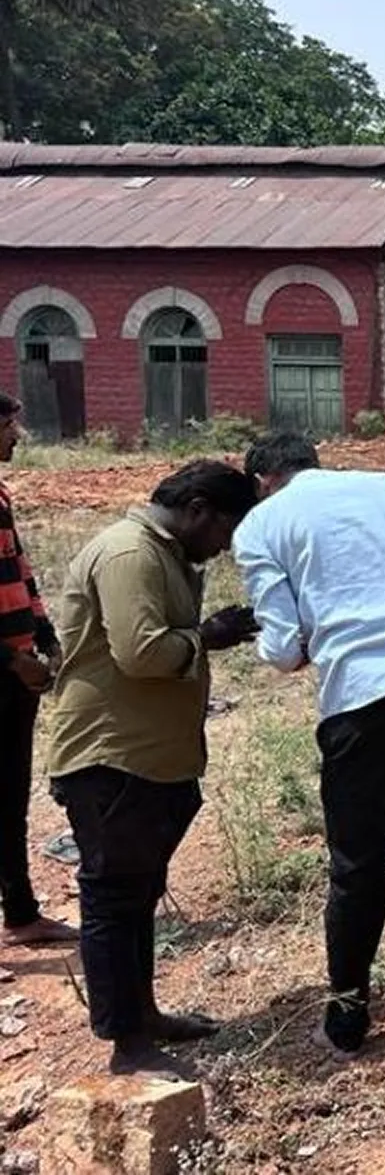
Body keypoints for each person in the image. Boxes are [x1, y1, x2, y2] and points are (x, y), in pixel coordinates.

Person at [233, 432, 385, 1060]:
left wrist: (288, 641)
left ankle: (346, 1021)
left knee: (357, 869)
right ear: (313, 461)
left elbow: (283, 648)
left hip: (363, 702)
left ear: (262, 481)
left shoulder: (261, 524)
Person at [42, 460, 260, 1075]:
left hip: (147, 757)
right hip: (112, 756)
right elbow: (141, 653)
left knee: (138, 894)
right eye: (224, 530)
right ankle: (127, 1046)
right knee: (115, 899)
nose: (224, 546)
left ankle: (144, 1017)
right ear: (196, 510)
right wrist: (207, 636)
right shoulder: (130, 553)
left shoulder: (165, 555)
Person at [0, 393, 78, 949]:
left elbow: (21, 574)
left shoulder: (0, 497)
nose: (17, 435)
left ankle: (21, 912)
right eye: (9, 425)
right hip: (6, 672)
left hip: (15, 672)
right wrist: (13, 660)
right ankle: (21, 915)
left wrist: (45, 635)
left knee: (9, 795)